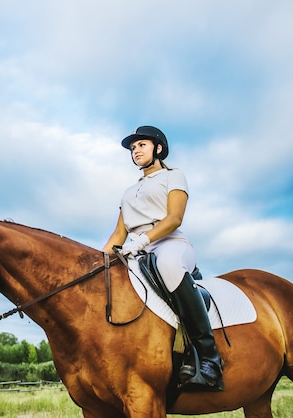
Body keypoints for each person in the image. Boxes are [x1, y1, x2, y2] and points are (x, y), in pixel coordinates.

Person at [101, 125, 223, 391]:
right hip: (136, 251)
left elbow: (174, 218)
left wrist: (143, 241)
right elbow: (118, 234)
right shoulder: (128, 192)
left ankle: (209, 358)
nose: (136, 151)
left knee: (168, 265)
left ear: (158, 148)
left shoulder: (173, 176)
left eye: (141, 145)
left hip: (170, 244)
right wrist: (98, 261)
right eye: (133, 148)